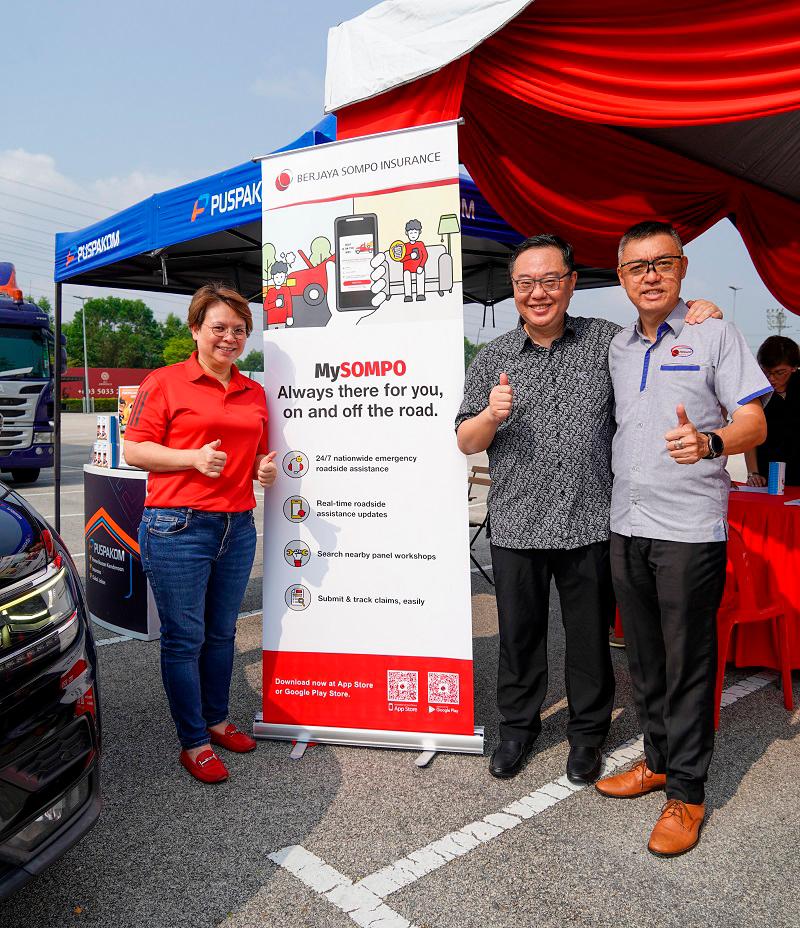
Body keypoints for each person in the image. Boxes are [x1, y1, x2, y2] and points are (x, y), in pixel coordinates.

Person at [455, 233, 721, 785]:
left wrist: (698, 308)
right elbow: (465, 440)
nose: (538, 293)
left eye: (550, 280)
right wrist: (491, 416)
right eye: (526, 283)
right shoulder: (494, 356)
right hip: (517, 527)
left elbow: (659, 329)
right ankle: (518, 729)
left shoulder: (609, 342)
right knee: (519, 637)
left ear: (572, 284)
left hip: (591, 523)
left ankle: (586, 736)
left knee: (588, 639)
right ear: (513, 289)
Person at [595, 221, 770, 857]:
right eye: (636, 266)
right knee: (642, 659)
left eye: (661, 263)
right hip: (628, 524)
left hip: (689, 533)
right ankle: (658, 760)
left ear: (682, 267)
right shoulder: (616, 347)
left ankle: (688, 795)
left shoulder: (715, 333)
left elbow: (753, 418)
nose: (649, 275)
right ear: (620, 279)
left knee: (688, 663)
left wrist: (712, 443)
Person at [124, 283, 278, 784]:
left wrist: (262, 469)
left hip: (237, 524)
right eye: (219, 328)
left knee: (221, 634)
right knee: (184, 637)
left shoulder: (253, 390)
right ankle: (192, 740)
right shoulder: (165, 381)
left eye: (239, 330)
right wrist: (190, 458)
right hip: (177, 525)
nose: (229, 338)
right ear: (195, 329)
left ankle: (216, 720)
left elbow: (254, 452)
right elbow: (135, 450)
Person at [745, 335, 800, 486]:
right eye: (766, 372)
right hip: (768, 475)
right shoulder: (756, 389)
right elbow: (750, 434)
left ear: (794, 367)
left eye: (780, 372)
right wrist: (753, 473)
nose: (772, 378)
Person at [402, 219, 428, 302]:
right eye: (411, 233)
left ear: (419, 232)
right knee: (406, 274)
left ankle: (420, 294)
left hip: (418, 268)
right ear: (407, 233)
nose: (413, 235)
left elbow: (425, 256)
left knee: (421, 273)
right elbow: (401, 259)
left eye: (415, 232)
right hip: (407, 269)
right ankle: (408, 295)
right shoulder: (405, 246)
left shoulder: (420, 244)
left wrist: (421, 266)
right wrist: (410, 256)